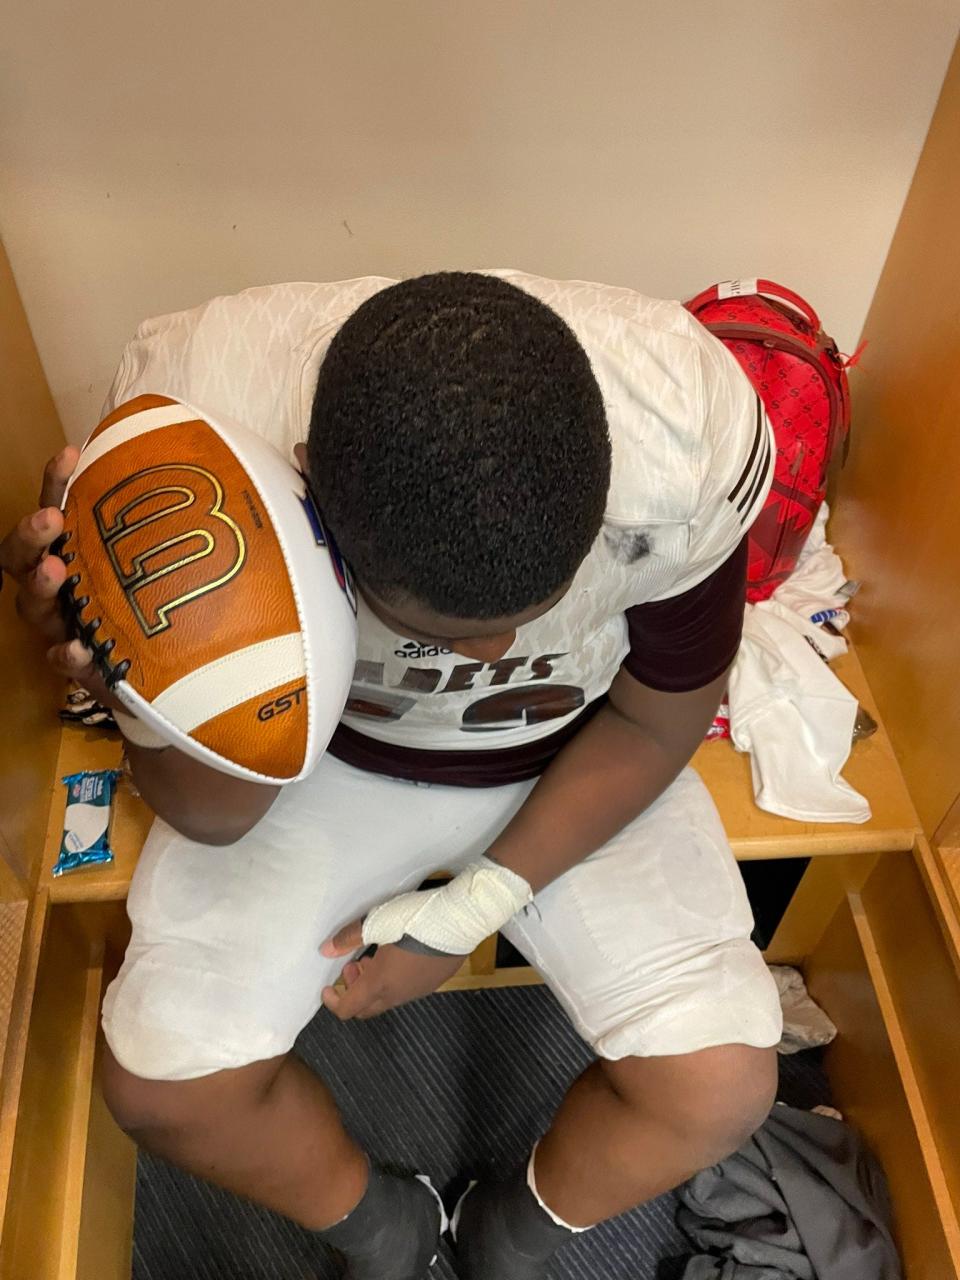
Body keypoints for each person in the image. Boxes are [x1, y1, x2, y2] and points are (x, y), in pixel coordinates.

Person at [1, 270, 782, 1279]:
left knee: (718, 1084)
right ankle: (390, 1228)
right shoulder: (193, 426)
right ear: (306, 475)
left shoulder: (680, 426)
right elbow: (214, 812)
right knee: (162, 1079)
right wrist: (141, 688)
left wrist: (474, 906)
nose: (499, 649)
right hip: (323, 759)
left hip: (577, 745)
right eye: (451, 631)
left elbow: (657, 708)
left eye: (530, 609)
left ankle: (511, 1234)